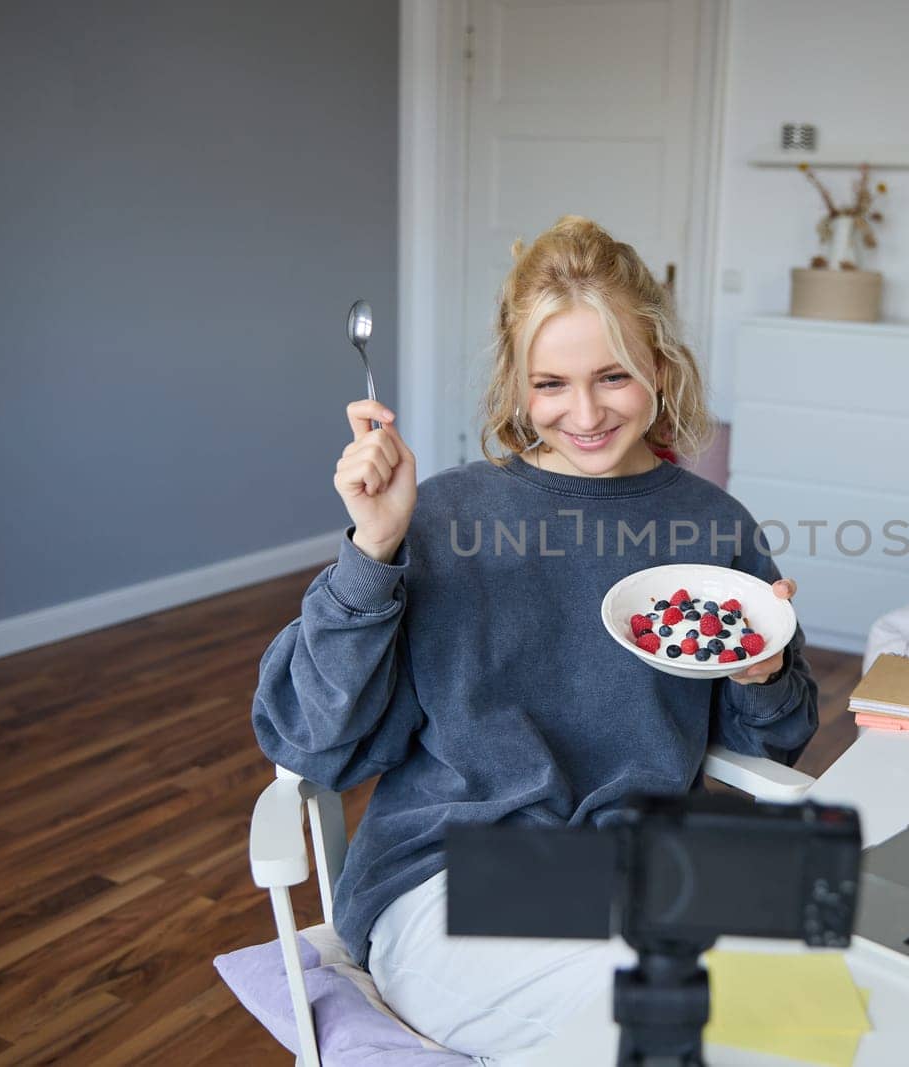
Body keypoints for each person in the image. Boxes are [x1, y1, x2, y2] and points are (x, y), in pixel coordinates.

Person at [252, 215, 818, 1059]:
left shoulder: (712, 525)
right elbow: (312, 743)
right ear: (516, 388)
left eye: (614, 376)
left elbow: (778, 738)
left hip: (638, 864)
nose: (584, 413)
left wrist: (761, 672)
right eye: (550, 383)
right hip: (454, 871)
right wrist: (374, 549)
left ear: (661, 368)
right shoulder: (440, 515)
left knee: (815, 995)